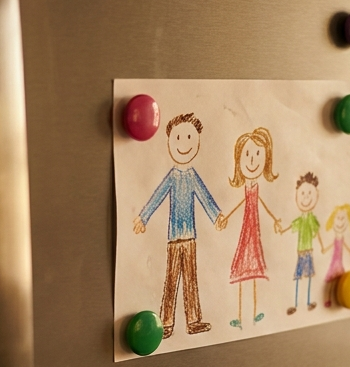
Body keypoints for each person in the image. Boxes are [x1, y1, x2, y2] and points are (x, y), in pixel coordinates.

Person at [133, 113, 220, 339]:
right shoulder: (172, 176)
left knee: (191, 279)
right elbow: (157, 197)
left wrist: (216, 216)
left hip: (190, 237)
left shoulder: (192, 176)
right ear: (170, 141)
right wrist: (143, 217)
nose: (184, 144)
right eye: (178, 138)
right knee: (171, 281)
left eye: (189, 138)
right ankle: (166, 323)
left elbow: (205, 197)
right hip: (174, 238)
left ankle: (193, 321)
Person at [217, 127, 282, 328]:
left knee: (252, 273)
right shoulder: (247, 188)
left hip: (254, 230)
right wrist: (226, 217)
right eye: (247, 155)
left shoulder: (255, 187)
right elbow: (241, 204)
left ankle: (253, 314)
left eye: (257, 155)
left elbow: (261, 203)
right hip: (247, 229)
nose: (252, 160)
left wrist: (275, 220)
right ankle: (239, 316)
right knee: (243, 269)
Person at [278, 172, 325, 314]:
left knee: (309, 275)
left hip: (308, 251)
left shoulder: (311, 219)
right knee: (298, 276)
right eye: (303, 193)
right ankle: (296, 304)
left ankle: (308, 302)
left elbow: (317, 232)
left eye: (309, 193)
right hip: (300, 252)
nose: (306, 197)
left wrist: (322, 246)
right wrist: (282, 230)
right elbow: (292, 226)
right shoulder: (300, 219)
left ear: (316, 194)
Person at [322, 203, 350, 307]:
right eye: (338, 218)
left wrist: (349, 250)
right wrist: (325, 249)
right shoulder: (335, 238)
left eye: (343, 218)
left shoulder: (342, 238)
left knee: (336, 281)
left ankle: (330, 298)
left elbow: (344, 245)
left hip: (339, 262)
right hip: (335, 261)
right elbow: (332, 245)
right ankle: (328, 298)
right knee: (331, 281)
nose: (340, 221)